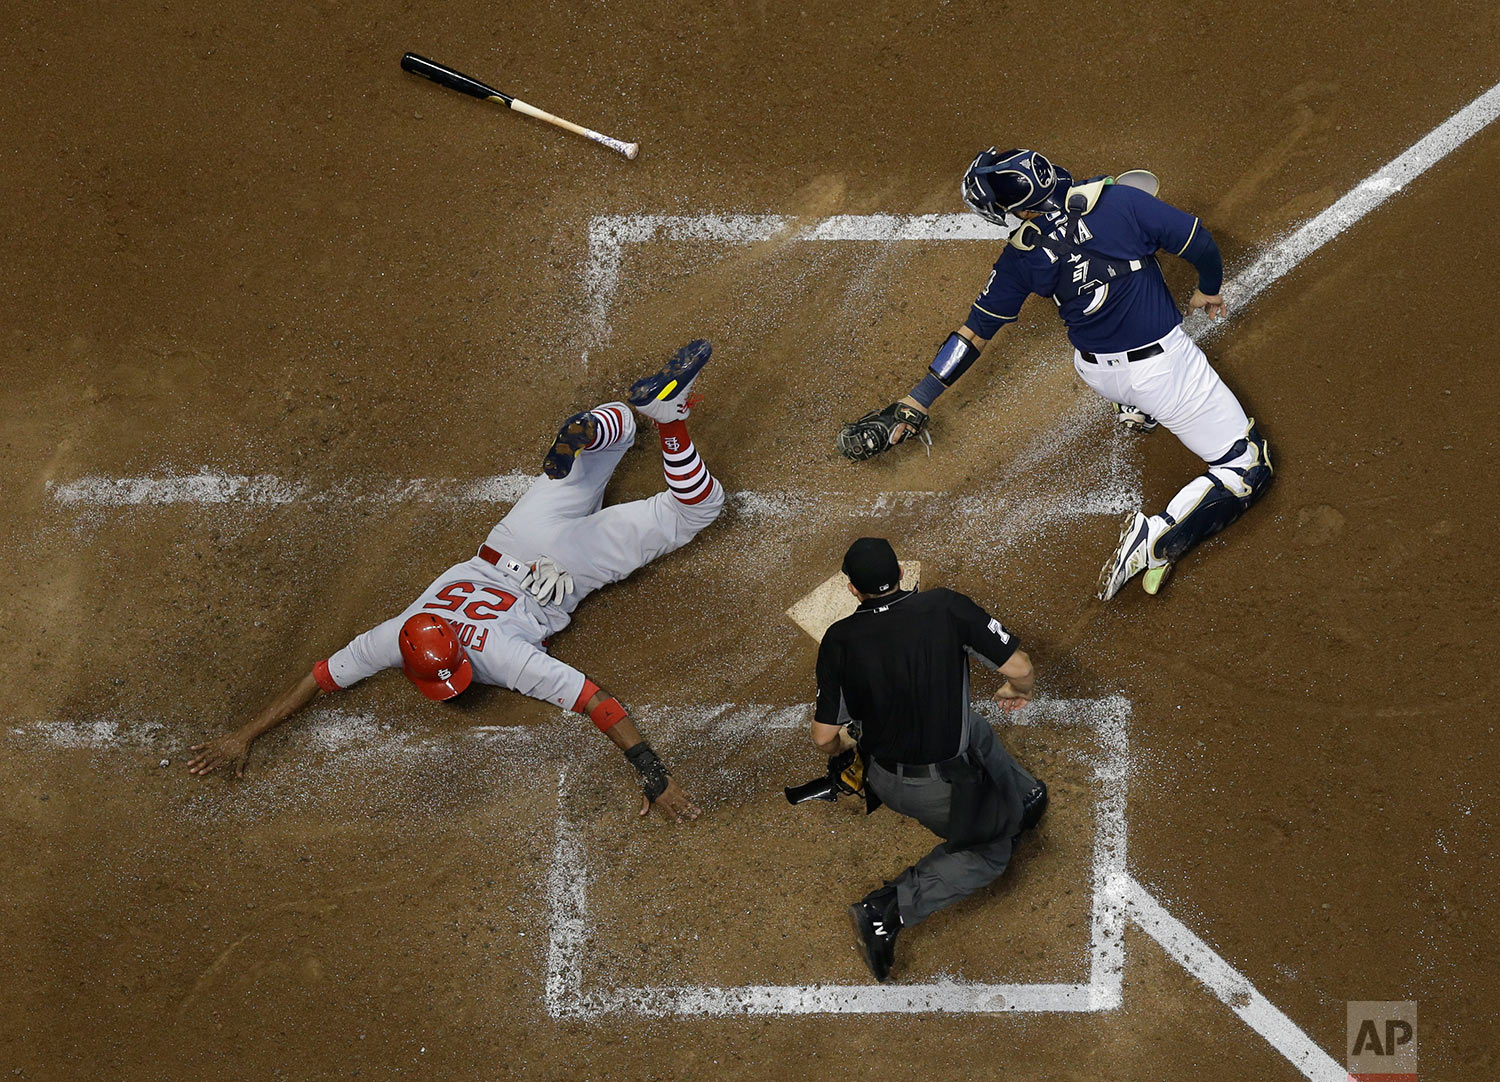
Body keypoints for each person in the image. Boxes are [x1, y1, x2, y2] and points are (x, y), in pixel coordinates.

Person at [188, 341, 724, 823]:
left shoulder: (490, 656)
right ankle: (616, 423)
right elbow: (320, 676)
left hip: (570, 565)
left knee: (697, 510)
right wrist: (241, 735)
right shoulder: (392, 636)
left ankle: (671, 419)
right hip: (515, 535)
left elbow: (596, 702)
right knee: (613, 436)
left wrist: (655, 775)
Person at [838, 148, 1273, 600]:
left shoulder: (1019, 257)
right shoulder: (1121, 201)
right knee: (1247, 467)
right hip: (1162, 372)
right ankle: (1157, 538)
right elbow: (1200, 242)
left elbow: (973, 335)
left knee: (1111, 342)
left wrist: (917, 401)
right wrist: (1207, 289)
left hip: (1095, 371)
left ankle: (1135, 407)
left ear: (1021, 208)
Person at [811, 537, 1047, 982]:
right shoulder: (946, 608)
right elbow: (1019, 667)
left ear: (852, 590)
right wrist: (1018, 691)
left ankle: (1021, 799)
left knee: (973, 727)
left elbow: (825, 736)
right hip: (934, 786)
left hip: (887, 771)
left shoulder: (838, 639)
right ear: (902, 573)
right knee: (990, 854)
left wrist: (844, 751)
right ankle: (887, 908)